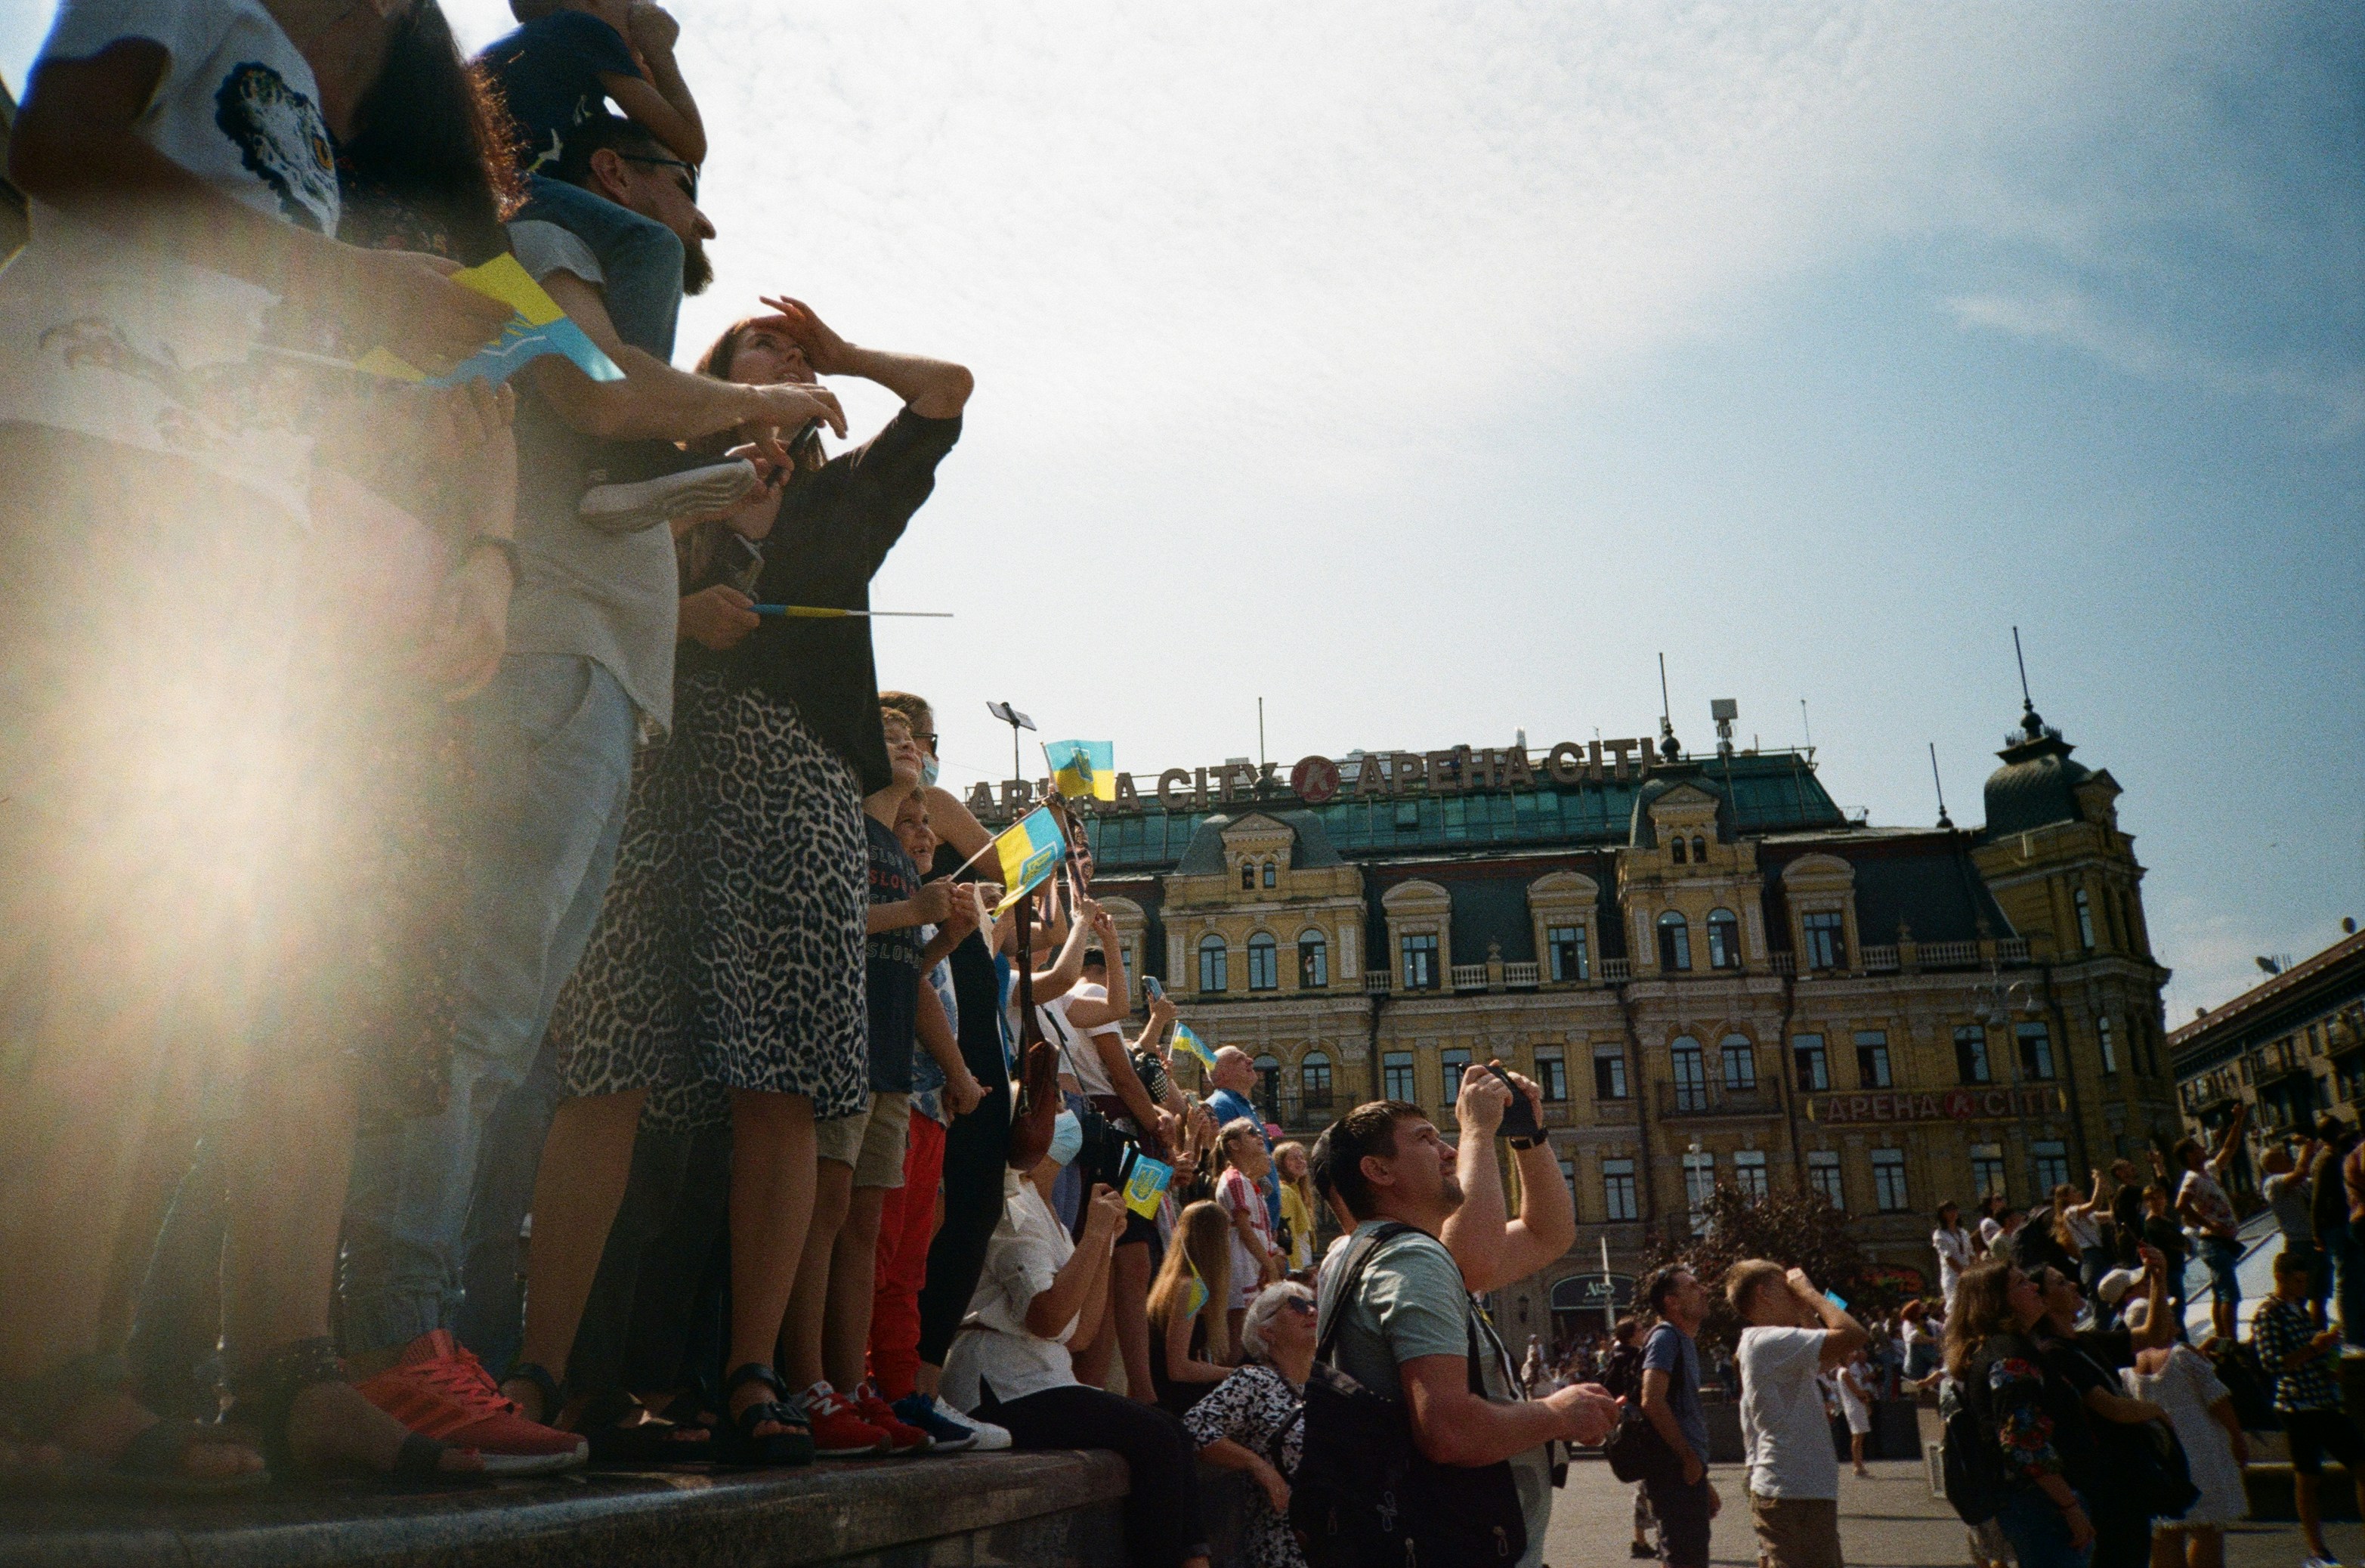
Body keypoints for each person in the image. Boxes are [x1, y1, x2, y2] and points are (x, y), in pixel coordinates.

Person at [0, 0, 521, 1489]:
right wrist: (343, 280)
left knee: (160, 963)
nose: (376, 27)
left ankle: (85, 1365)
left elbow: (253, 318)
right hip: (91, 472)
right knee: (79, 945)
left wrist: (375, 330)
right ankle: (40, 1378)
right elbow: (59, 144)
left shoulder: (293, 81)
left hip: (232, 520)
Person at [504, 298, 963, 1464]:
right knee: (608, 1059)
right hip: (656, 762)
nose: (790, 361)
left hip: (795, 783)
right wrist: (673, 615)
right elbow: (571, 595)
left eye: (803, 359)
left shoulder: (839, 496)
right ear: (716, 374)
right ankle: (544, 1365)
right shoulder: (654, 482)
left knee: (780, 1077)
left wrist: (851, 355)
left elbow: (947, 390)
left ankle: (755, 1369)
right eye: (767, 348)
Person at [1316, 1099, 1619, 1568]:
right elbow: (1448, 1431)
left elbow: (1547, 1233)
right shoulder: (1411, 1260)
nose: (1450, 1151)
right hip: (1460, 1546)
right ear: (1377, 1170)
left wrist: (1527, 1137)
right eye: (1424, 1138)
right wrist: (1558, 1414)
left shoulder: (1359, 1254)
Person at [942, 1114, 1212, 1568]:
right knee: (1159, 1439)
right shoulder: (1013, 1205)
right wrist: (1095, 1236)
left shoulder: (1045, 1210)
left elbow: (1081, 1333)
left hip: (1043, 1377)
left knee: (1170, 1433)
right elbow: (1047, 1317)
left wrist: (1102, 1243)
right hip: (1003, 1385)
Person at [865, 784, 990, 1447]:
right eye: (907, 822)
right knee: (876, 1253)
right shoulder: (891, 897)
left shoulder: (914, 908)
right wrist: (962, 1072)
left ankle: (900, 1391)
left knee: (909, 1264)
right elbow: (905, 989)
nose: (924, 835)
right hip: (893, 1091)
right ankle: (864, 1386)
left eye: (927, 825)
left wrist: (945, 936)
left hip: (924, 1101)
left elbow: (913, 971)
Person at [1943, 1260, 2098, 1568]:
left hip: (2035, 1501)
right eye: (2021, 1284)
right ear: (1997, 1302)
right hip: (2042, 1504)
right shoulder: (2009, 1356)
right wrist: (2069, 1506)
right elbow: (2023, 1439)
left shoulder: (2001, 1350)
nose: (2034, 1287)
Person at [2029, 1259, 2176, 1568]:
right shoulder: (2052, 1351)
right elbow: (2108, 1406)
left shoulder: (2085, 1340)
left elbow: (2155, 1335)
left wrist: (2159, 1283)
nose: (2072, 1285)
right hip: (2103, 1482)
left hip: (2125, 1475)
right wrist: (2155, 1410)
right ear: (2040, 1300)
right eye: (2060, 1282)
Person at [1728, 1260, 1868, 1568]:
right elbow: (1853, 1334)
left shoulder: (1771, 1343)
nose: (1794, 1295)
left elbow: (1830, 1360)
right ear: (1764, 1293)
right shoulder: (1767, 1340)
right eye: (1786, 1289)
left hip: (1799, 1489)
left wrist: (1804, 1311)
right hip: (1791, 1492)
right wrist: (1811, 1293)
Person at [1184, 1281, 1317, 1568]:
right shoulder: (1254, 1381)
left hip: (1338, 1541)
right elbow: (1194, 1426)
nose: (1310, 1311)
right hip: (1284, 1547)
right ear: (1266, 1331)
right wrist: (1258, 1465)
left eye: (1312, 1303)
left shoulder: (1328, 1385)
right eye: (1295, 1305)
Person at [2253, 1248, 2365, 1568]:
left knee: (2357, 1464)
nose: (2303, 1287)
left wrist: (2328, 1354)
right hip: (2297, 1404)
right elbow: (2271, 1363)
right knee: (2307, 1478)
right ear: (2282, 1279)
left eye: (2305, 1281)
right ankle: (2317, 1551)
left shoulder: (2299, 1311)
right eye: (2298, 1281)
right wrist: (2311, 1349)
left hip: (2324, 1399)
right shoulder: (2269, 1314)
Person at [2122, 1316, 2246, 1568]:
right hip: (2201, 1449)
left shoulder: (2126, 1368)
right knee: (2207, 1530)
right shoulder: (2182, 1356)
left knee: (2167, 1532)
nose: (2177, 1327)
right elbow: (2218, 1399)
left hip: (2160, 1455)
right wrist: (2237, 1437)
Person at [1640, 1265, 1719, 1568]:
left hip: (1686, 1471)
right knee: (1686, 1559)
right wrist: (1687, 1458)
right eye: (1693, 1287)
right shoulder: (1666, 1337)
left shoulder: (1683, 1340)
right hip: (1674, 1470)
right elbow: (1652, 1399)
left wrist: (1703, 1478)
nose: (1704, 1291)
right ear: (1672, 1301)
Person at [1146, 1202, 1235, 1416]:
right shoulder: (1191, 1289)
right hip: (1175, 1401)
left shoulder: (1177, 1282)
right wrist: (1234, 1373)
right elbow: (1178, 1368)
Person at [2172, 1107, 2248, 1344]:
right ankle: (2231, 1340)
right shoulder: (2192, 1178)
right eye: (2197, 1146)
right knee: (2229, 1294)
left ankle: (2223, 1339)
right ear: (2189, 1154)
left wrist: (2237, 1121)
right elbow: (2181, 1205)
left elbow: (2229, 1149)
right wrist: (2211, 1225)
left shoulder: (2208, 1172)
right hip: (2214, 1242)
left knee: (2220, 1292)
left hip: (2222, 1242)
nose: (2203, 1148)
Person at [1218, 1120, 1285, 1352]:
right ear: (1234, 1145)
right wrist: (1270, 1265)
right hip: (1242, 1265)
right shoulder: (1235, 1179)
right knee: (1239, 1335)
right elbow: (1245, 1230)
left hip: (1254, 1264)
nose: (1259, 1136)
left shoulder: (1248, 1183)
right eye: (1251, 1133)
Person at [1601, 1316, 1659, 1560]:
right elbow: (1633, 1390)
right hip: (1639, 1427)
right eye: (1640, 1328)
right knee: (1651, 1485)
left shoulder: (1618, 1357)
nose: (1644, 1331)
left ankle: (1641, 1540)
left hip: (1630, 1427)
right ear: (1632, 1334)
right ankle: (1652, 1539)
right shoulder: (1633, 1357)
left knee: (1646, 1485)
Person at [2261, 1135, 2326, 1328]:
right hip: (2299, 1243)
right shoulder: (2273, 1183)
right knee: (2299, 1297)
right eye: (2282, 1156)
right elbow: (2300, 1172)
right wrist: (2306, 1146)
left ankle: (2318, 1338)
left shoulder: (2301, 1182)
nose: (2287, 1158)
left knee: (2319, 1296)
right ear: (2272, 1163)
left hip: (2315, 1241)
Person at [2055, 1177, 2111, 1326]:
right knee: (2100, 1305)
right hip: (2090, 1255)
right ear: (2066, 1197)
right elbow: (2095, 1204)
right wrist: (2098, 1181)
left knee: (2108, 1301)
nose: (2079, 1193)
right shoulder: (2070, 1212)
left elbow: (2111, 1216)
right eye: (2075, 1191)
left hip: (2098, 1254)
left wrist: (2110, 1195)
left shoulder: (2087, 1214)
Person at [1275, 1141, 1319, 1274]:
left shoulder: (1298, 1191)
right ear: (1280, 1164)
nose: (1300, 1161)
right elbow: (1290, 1236)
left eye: (1302, 1157)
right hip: (1297, 1267)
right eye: (1293, 1158)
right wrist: (1296, 1272)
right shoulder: (1285, 1192)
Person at [1835, 1347, 1875, 1477]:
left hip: (1856, 1406)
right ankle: (1857, 1466)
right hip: (1854, 1406)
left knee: (1859, 1437)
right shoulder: (1845, 1372)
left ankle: (1860, 1465)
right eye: (1849, 1356)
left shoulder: (1846, 1371)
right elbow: (1856, 1391)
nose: (1852, 1357)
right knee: (1857, 1437)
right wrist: (1866, 1396)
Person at [1935, 1202, 1977, 1312]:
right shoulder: (1940, 1235)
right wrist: (1963, 1273)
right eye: (1949, 1210)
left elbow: (1971, 1254)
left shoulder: (1964, 1233)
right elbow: (1948, 1258)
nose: (1953, 1213)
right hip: (1953, 1276)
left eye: (1955, 1209)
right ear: (1942, 1215)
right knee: (1956, 1307)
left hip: (1969, 1273)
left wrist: (1973, 1271)